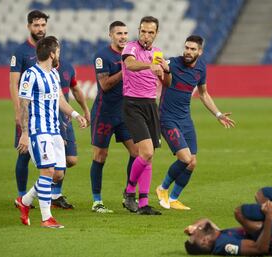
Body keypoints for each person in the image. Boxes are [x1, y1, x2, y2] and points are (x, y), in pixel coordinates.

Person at [155, 35, 235, 210]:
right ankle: (162, 188)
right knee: (184, 158)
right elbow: (157, 71)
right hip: (167, 118)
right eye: (186, 48)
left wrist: (218, 114)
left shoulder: (201, 68)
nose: (188, 52)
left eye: (192, 49)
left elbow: (204, 94)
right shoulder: (173, 63)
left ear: (200, 51)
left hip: (185, 119)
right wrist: (159, 69)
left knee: (193, 162)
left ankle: (174, 198)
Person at [15, 36, 87, 228]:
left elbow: (60, 101)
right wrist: (24, 133)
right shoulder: (30, 75)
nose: (59, 56)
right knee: (47, 171)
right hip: (38, 131)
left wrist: (75, 114)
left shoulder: (54, 74)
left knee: (57, 175)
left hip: (55, 131)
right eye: (59, 52)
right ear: (52, 53)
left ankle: (25, 201)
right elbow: (24, 105)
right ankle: (47, 218)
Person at [184, 169, 272, 256]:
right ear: (204, 241)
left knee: (261, 195)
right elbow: (260, 249)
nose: (198, 229)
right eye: (196, 234)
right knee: (240, 212)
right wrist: (269, 217)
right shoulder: (224, 245)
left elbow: (205, 220)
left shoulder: (217, 235)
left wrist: (193, 227)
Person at [90, 21, 138, 213]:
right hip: (105, 113)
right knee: (101, 156)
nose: (123, 36)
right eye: (119, 33)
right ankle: (97, 201)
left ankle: (129, 194)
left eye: (125, 33)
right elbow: (105, 85)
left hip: (124, 112)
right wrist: (124, 70)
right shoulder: (102, 56)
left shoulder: (131, 53)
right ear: (111, 35)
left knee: (137, 152)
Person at [121, 16, 165, 215]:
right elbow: (130, 65)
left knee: (149, 156)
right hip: (133, 104)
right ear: (138, 31)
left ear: (156, 34)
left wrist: (167, 69)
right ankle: (129, 192)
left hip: (150, 105)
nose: (146, 36)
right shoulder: (130, 48)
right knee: (145, 152)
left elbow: (167, 82)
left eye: (150, 32)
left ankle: (144, 203)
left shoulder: (157, 53)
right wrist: (150, 65)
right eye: (143, 31)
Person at [10, 10, 49, 206]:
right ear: (29, 26)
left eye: (42, 25)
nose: (40, 29)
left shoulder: (49, 48)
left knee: (51, 153)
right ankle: (22, 195)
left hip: (46, 111)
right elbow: (13, 84)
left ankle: (52, 194)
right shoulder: (21, 52)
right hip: (28, 111)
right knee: (24, 153)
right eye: (36, 25)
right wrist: (18, 114)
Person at [51, 59, 90, 209]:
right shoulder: (42, 71)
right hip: (51, 119)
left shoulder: (67, 67)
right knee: (53, 164)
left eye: (58, 51)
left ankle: (51, 188)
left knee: (71, 160)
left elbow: (76, 89)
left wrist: (85, 110)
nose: (56, 54)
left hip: (66, 118)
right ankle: (53, 195)